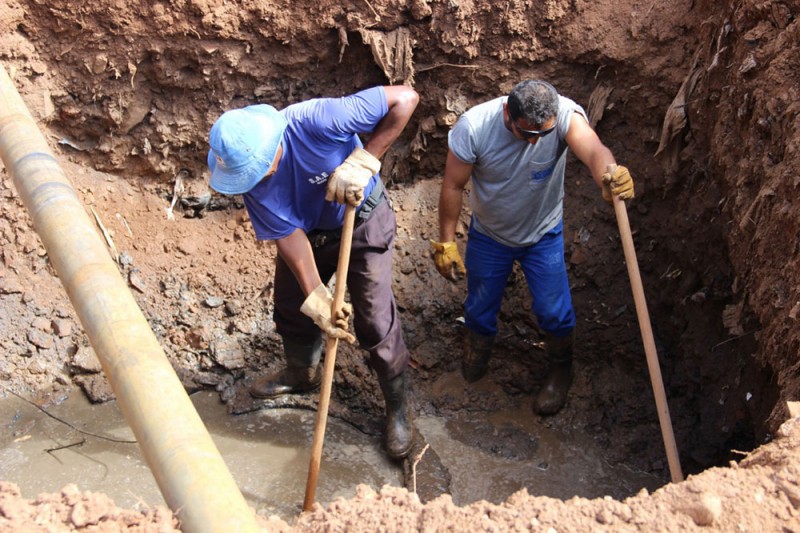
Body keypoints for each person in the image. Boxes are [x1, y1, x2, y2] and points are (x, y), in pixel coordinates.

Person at [207, 85, 419, 459]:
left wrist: (366, 159)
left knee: (373, 317)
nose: (253, 181)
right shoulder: (248, 180)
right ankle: (301, 375)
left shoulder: (318, 120)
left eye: (256, 170)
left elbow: (406, 99)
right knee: (294, 305)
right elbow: (289, 237)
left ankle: (397, 409)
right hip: (311, 233)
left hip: (362, 222)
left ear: (272, 144)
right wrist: (317, 297)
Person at [430, 79, 634, 416]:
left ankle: (560, 371)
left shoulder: (564, 115)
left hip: (542, 235)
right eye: (526, 134)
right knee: (480, 306)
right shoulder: (474, 128)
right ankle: (476, 356)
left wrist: (609, 175)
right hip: (490, 235)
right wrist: (447, 241)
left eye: (542, 136)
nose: (533, 142)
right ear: (507, 114)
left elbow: (594, 149)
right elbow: (453, 185)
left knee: (554, 312)